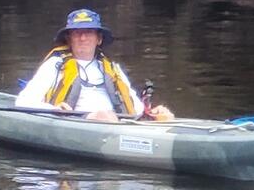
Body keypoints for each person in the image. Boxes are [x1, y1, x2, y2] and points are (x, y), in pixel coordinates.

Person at [15, 9, 174, 123]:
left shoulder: (112, 68)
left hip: (117, 121)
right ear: (69, 39)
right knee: (105, 117)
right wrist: (53, 110)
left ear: (99, 39)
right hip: (76, 122)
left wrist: (149, 113)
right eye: (77, 33)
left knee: (166, 116)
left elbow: (134, 106)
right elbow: (23, 101)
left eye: (89, 32)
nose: (83, 38)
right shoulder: (55, 65)